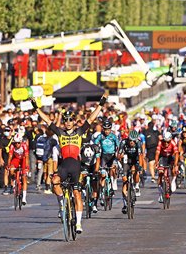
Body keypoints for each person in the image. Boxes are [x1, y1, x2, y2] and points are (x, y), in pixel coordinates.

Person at [31, 93, 107, 234]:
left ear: (74, 122)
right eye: (65, 120)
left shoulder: (79, 132)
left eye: (70, 120)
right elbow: (47, 120)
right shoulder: (60, 133)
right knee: (54, 181)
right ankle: (61, 203)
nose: (67, 122)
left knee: (77, 194)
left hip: (76, 166)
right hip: (64, 165)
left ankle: (78, 223)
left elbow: (91, 118)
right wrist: (36, 108)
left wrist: (101, 105)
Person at [118, 130, 144, 213]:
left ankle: (136, 185)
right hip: (126, 160)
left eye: (133, 141)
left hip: (135, 159)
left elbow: (140, 156)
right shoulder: (123, 142)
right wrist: (120, 157)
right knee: (124, 180)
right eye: (130, 140)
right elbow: (119, 155)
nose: (132, 142)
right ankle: (125, 203)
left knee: (135, 170)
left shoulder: (138, 143)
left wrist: (139, 167)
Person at [94, 118, 120, 194]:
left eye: (108, 129)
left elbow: (118, 145)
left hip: (112, 156)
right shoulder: (100, 136)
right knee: (102, 174)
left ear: (110, 129)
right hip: (104, 156)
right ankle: (103, 189)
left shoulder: (113, 136)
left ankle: (114, 180)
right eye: (105, 129)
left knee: (113, 168)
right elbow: (95, 143)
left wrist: (118, 153)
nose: (107, 131)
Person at [154, 131, 179, 203]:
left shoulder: (173, 143)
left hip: (170, 157)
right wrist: (156, 162)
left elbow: (177, 154)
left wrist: (176, 165)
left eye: (168, 142)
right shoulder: (160, 142)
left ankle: (173, 180)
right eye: (165, 141)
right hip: (162, 157)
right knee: (160, 173)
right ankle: (160, 193)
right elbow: (157, 153)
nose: (166, 143)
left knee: (173, 170)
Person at [6, 134, 29, 205]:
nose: (17, 144)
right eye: (15, 143)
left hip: (23, 159)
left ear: (21, 142)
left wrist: (26, 167)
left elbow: (27, 157)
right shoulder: (12, 146)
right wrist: (8, 165)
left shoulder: (24, 146)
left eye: (18, 143)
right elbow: (10, 157)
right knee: (11, 170)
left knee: (24, 177)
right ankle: (14, 180)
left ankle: (24, 198)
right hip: (16, 159)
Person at [79, 138, 100, 213]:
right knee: (82, 178)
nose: (88, 157)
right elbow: (78, 160)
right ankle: (84, 191)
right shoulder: (81, 149)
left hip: (93, 164)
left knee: (95, 183)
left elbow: (98, 160)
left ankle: (94, 204)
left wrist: (96, 170)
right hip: (84, 164)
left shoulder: (96, 148)